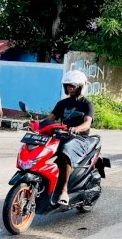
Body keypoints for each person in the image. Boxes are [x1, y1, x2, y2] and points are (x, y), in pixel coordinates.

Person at [38, 69, 95, 206]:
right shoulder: (62, 104)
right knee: (43, 148)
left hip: (80, 138)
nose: (70, 88)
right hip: (63, 135)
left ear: (81, 87)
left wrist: (77, 128)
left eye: (73, 86)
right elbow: (50, 119)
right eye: (68, 85)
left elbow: (87, 123)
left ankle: (64, 191)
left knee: (65, 149)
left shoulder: (87, 104)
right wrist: (35, 124)